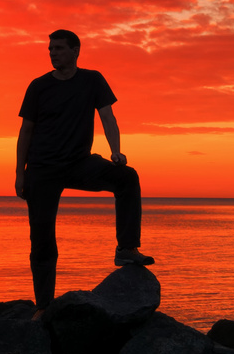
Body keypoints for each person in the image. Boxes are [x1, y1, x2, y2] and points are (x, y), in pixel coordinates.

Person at [15, 29, 152, 318]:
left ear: (76, 50)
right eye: (50, 49)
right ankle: (43, 307)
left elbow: (108, 117)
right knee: (41, 238)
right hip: (42, 169)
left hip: (79, 163)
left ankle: (126, 249)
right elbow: (25, 130)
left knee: (127, 177)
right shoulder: (38, 86)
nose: (53, 53)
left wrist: (116, 151)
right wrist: (20, 173)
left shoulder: (92, 80)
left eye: (59, 48)